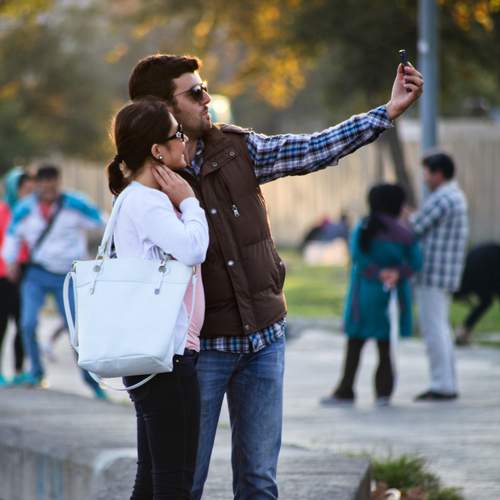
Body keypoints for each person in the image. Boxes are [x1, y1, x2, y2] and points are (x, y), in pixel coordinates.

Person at [127, 53, 423, 499]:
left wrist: (387, 112)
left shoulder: (236, 148)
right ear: (163, 108)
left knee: (259, 483)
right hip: (197, 353)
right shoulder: (147, 183)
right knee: (182, 483)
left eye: (205, 88)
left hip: (264, 340)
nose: (207, 98)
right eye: (195, 92)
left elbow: (313, 148)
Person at [108, 98, 209, 499]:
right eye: (177, 134)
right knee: (174, 478)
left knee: (153, 476)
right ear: (157, 150)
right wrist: (189, 201)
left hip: (155, 353)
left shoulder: (132, 198)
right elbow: (194, 248)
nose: (184, 140)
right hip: (166, 355)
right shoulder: (147, 201)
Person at [2, 164, 107, 397]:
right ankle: (36, 372)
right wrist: (10, 261)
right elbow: (12, 235)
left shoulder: (75, 203)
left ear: (59, 183)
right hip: (37, 273)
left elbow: (103, 223)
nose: (49, 189)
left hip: (68, 275)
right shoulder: (25, 208)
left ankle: (91, 382)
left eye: (53, 184)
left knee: (75, 329)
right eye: (44, 184)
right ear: (38, 184)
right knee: (27, 323)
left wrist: (105, 253)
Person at [321, 184, 422, 406]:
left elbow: (357, 254)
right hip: (391, 296)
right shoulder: (405, 233)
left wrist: (377, 272)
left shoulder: (364, 226)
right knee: (386, 346)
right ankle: (383, 393)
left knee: (355, 343)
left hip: (364, 294)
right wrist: (397, 273)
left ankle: (346, 389)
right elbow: (416, 261)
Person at [411, 152, 468, 401]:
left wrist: (403, 216)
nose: (424, 179)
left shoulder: (443, 198)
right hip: (445, 274)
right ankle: (447, 382)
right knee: (441, 329)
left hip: (432, 274)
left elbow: (414, 227)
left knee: (434, 330)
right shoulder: (455, 196)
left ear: (438, 174)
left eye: (426, 173)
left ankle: (441, 385)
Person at [0, 169, 35, 386]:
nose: (28, 192)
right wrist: (8, 266)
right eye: (24, 188)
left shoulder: (31, 211)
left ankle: (20, 370)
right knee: (1, 325)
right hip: (3, 276)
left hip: (26, 272)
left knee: (24, 324)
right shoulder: (3, 211)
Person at [454, 243, 500, 346]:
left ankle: (463, 331)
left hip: (465, 273)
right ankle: (463, 332)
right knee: (486, 301)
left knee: (486, 301)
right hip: (475, 273)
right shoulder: (493, 254)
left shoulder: (492, 250)